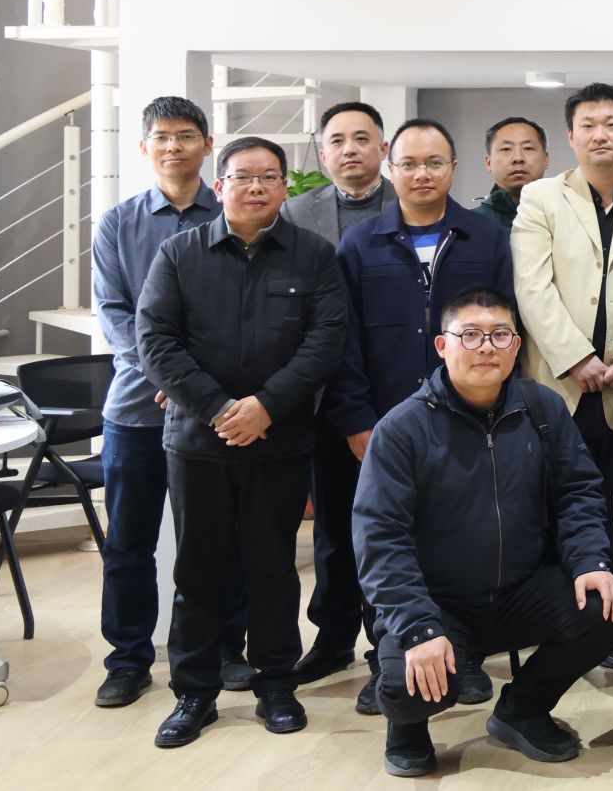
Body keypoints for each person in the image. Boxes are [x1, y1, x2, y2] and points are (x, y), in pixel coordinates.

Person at [353, 284, 613, 776]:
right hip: (440, 603)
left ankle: (522, 709)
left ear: (516, 345)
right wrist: (417, 626)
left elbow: (578, 492)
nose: (486, 347)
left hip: (521, 591)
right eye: (471, 335)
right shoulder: (402, 428)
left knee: (605, 607)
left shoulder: (542, 409)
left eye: (500, 334)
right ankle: (408, 726)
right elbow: (380, 539)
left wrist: (590, 560)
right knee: (404, 684)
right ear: (442, 345)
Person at [135, 136, 348, 747]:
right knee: (198, 570)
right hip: (198, 442)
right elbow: (155, 340)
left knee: (272, 566)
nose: (257, 187)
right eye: (243, 176)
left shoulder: (313, 255)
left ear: (285, 187)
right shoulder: (179, 253)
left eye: (270, 176)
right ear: (220, 185)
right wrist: (221, 409)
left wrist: (266, 407)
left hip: (280, 441)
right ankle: (194, 694)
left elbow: (325, 342)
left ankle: (276, 684)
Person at [322, 117, 516, 710]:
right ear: (390, 168)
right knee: (386, 539)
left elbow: (507, 330)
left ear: (454, 168)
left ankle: (468, 654)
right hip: (384, 424)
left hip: (468, 419)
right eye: (408, 164)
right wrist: (357, 419)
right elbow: (343, 341)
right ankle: (387, 654)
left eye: (434, 162)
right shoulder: (361, 243)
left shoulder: (484, 237)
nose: (422, 174)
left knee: (463, 537)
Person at [91, 96, 229, 709]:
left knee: (217, 540)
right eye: (162, 137)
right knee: (129, 542)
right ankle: (128, 659)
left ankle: (224, 651)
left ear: (207, 144)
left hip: (212, 411)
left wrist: (194, 386)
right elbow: (113, 312)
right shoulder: (117, 223)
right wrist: (166, 376)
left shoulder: (230, 214)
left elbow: (235, 316)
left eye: (186, 135)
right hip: (136, 412)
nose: (174, 146)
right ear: (144, 147)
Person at [513, 82, 613, 514]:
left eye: (611, 124)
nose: (599, 134)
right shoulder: (540, 197)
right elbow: (531, 286)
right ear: (571, 136)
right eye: (587, 125)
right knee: (553, 507)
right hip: (559, 383)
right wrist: (575, 357)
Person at [282, 101, 399, 686]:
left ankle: (390, 645)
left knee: (394, 529)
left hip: (395, 397)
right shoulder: (294, 213)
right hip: (321, 397)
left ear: (383, 148)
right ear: (323, 152)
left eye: (362, 138)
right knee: (332, 526)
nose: (349, 149)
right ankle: (332, 639)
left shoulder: (408, 206)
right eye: (337, 140)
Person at [473, 116, 550, 233]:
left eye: (528, 148)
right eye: (506, 149)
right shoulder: (470, 225)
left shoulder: (566, 220)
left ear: (546, 159)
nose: (518, 158)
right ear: (488, 163)